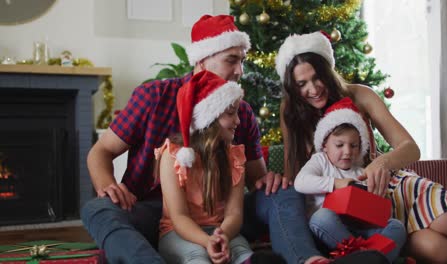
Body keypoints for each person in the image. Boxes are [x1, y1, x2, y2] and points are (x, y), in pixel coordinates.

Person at [81, 14, 324, 264]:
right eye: (231, 60)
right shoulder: (154, 97)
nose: (239, 71)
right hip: (155, 213)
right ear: (201, 59)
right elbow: (100, 152)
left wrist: (269, 181)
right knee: (97, 209)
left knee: (284, 191)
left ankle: (305, 259)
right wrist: (108, 185)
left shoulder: (241, 113)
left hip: (220, 218)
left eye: (242, 61)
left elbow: (256, 178)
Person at [276, 31, 447, 263]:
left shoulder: (360, 95)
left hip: (394, 187)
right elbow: (293, 173)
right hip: (366, 212)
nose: (313, 89)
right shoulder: (290, 111)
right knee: (439, 252)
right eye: (302, 83)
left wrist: (381, 163)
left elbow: (410, 148)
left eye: (317, 78)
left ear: (328, 72)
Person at [156, 70, 253, 263]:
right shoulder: (172, 156)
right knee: (197, 258)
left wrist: (221, 237)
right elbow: (179, 217)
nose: (238, 121)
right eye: (231, 114)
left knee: (242, 254)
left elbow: (234, 213)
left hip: (220, 231)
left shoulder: (234, 156)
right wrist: (207, 242)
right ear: (209, 119)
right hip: (178, 232)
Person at [294, 97, 407, 262]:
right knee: (321, 217)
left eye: (353, 146)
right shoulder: (321, 161)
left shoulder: (361, 172)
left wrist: (376, 199)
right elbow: (300, 182)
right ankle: (368, 258)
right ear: (325, 145)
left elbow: (380, 211)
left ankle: (366, 258)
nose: (347, 152)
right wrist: (336, 183)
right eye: (339, 145)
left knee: (396, 226)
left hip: (363, 232)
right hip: (331, 231)